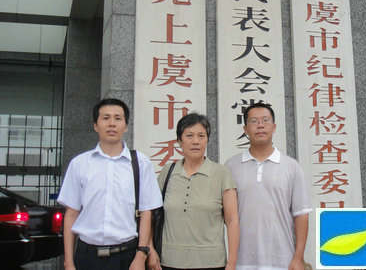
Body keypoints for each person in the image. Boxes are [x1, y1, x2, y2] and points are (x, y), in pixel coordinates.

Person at [58, 98, 162, 270]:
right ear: (95, 125)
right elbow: (71, 214)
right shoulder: (79, 164)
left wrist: (141, 255)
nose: (112, 123)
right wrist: (68, 262)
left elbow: (146, 212)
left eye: (117, 118)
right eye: (105, 118)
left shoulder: (141, 163)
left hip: (127, 256)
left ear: (126, 126)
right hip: (87, 256)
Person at [225, 102, 311, 270]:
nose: (260, 125)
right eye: (254, 121)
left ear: (274, 127)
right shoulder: (231, 166)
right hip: (241, 262)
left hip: (282, 261)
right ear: (245, 129)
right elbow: (226, 216)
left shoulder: (291, 166)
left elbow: (301, 214)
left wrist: (298, 257)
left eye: (265, 120)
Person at [147, 113, 239, 270]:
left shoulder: (222, 173)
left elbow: (232, 220)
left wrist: (232, 263)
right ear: (179, 141)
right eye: (189, 135)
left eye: (201, 136)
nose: (196, 141)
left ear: (207, 140)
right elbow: (151, 214)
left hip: (211, 263)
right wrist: (150, 249)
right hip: (169, 262)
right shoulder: (167, 172)